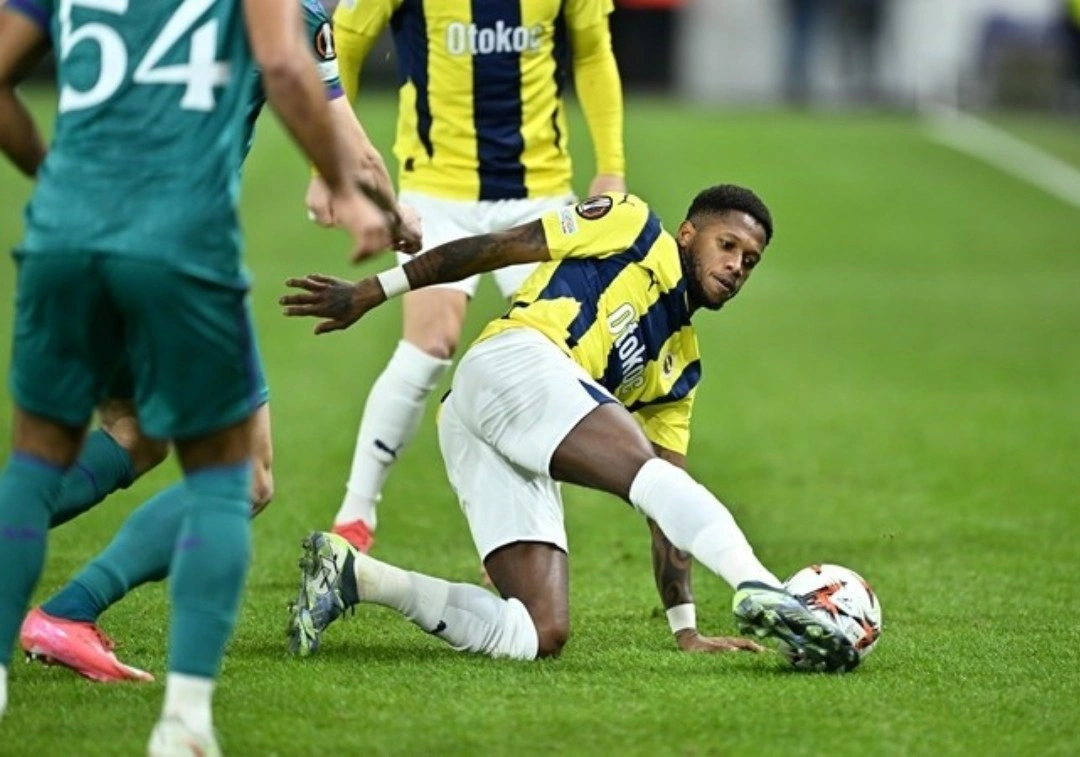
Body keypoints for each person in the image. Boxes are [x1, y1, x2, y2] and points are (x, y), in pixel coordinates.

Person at [0, 0, 393, 752]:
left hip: (65, 238)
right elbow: (298, 80)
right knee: (241, 477)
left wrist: (57, 175)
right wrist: (367, 198)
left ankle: (60, 618)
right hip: (176, 247)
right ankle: (168, 707)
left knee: (116, 437)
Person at [280, 187, 859, 671]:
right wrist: (374, 290)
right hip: (514, 359)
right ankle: (762, 586)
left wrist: (686, 628)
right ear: (688, 235)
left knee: (539, 632)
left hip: (479, 424)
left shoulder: (680, 369)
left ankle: (355, 577)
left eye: (749, 261)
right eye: (726, 246)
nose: (735, 267)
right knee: (641, 469)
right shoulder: (632, 226)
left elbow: (668, 511)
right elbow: (498, 247)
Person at [320, 0, 628, 554]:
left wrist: (612, 166)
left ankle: (527, 537)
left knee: (551, 360)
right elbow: (345, 40)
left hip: (537, 195)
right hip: (438, 192)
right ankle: (355, 515)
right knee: (429, 346)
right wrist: (329, 165)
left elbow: (592, 50)